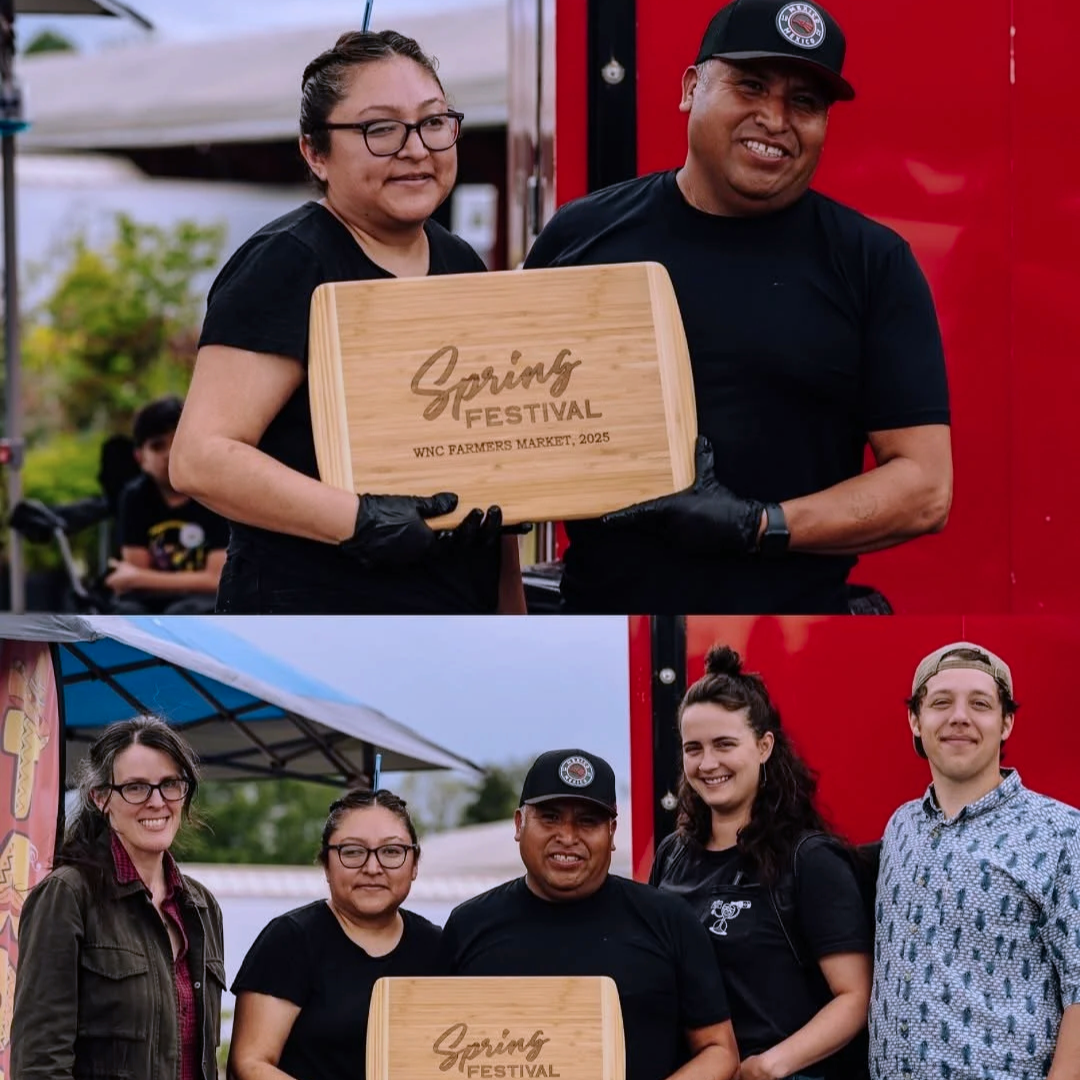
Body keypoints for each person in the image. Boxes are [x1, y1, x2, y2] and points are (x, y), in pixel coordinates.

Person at [523, 0, 953, 615]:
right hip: (607, 616)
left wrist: (759, 524)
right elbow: (507, 429)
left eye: (804, 102)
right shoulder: (583, 235)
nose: (775, 118)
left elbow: (925, 488)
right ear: (691, 88)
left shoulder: (872, 263)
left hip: (795, 628)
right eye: (750, 85)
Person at [169, 29, 524, 614]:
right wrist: (360, 520)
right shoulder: (289, 260)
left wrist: (512, 616)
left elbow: (487, 460)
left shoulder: (460, 260)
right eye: (379, 129)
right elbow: (201, 457)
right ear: (315, 152)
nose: (416, 148)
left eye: (434, 122)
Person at [441, 749, 740, 1080]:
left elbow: (720, 1051)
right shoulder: (468, 925)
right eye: (550, 817)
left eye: (588, 821)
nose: (568, 837)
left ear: (611, 833)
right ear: (519, 824)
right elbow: (434, 1048)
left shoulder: (670, 920)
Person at [650, 646, 871, 1080]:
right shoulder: (671, 854)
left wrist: (772, 1065)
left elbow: (855, 995)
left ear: (764, 745)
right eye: (693, 748)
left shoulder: (811, 860)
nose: (707, 763)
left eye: (724, 744)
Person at [871, 643, 1080, 1080]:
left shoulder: (1062, 832)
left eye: (980, 704)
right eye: (940, 702)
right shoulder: (900, 828)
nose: (959, 717)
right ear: (915, 719)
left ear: (1006, 723)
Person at [11, 716, 225, 1080]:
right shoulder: (68, 895)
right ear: (101, 798)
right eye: (136, 788)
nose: (157, 802)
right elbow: (39, 1063)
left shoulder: (201, 906)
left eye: (170, 784)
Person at [228, 789, 441, 1080]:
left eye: (392, 851)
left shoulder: (436, 946)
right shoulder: (290, 940)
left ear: (414, 864)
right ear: (326, 864)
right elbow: (250, 1063)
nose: (373, 867)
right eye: (352, 851)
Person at [106, 394, 229, 614]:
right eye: (157, 446)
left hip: (204, 606)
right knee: (125, 613)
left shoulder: (216, 494)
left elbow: (217, 580)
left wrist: (141, 578)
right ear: (140, 458)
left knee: (183, 613)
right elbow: (134, 576)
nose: (169, 454)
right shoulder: (134, 497)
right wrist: (139, 579)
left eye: (179, 442)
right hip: (150, 602)